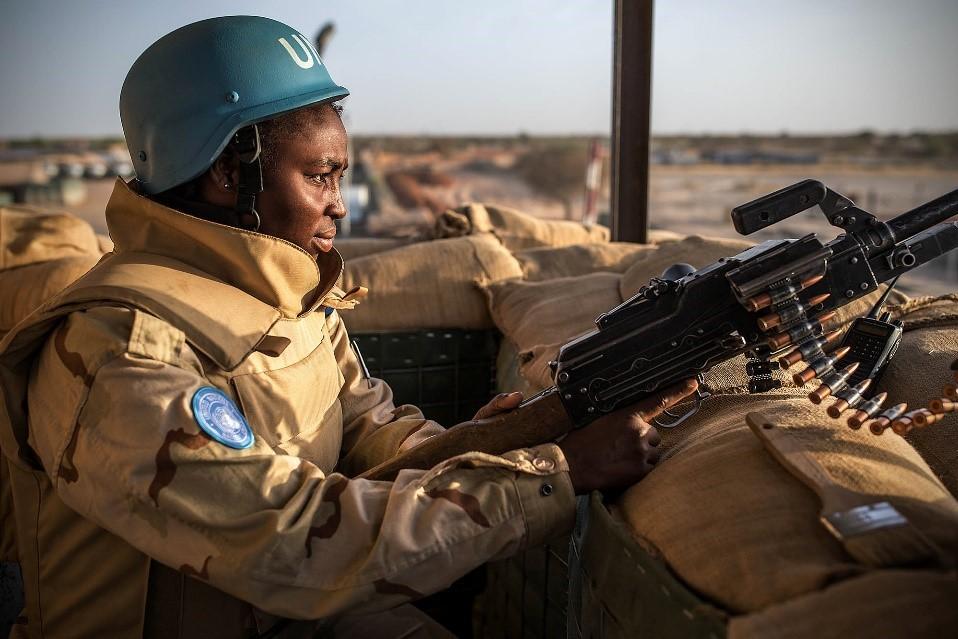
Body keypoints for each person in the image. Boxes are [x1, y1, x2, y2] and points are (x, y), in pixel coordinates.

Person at [0, 16, 696, 638]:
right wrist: (556, 474)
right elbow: (288, 542)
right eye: (320, 177)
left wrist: (483, 444)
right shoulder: (119, 351)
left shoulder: (289, 295)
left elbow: (369, 430)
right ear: (228, 172)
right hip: (290, 582)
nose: (339, 206)